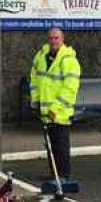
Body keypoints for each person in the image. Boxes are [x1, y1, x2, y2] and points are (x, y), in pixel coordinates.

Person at [29, 27, 81, 180]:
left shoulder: (69, 60)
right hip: (45, 111)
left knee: (61, 146)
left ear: (62, 39)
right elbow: (34, 80)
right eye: (51, 38)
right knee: (50, 145)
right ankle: (54, 173)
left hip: (60, 113)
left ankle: (63, 175)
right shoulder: (40, 56)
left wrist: (55, 109)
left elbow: (70, 89)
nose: (53, 41)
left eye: (56, 38)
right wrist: (36, 100)